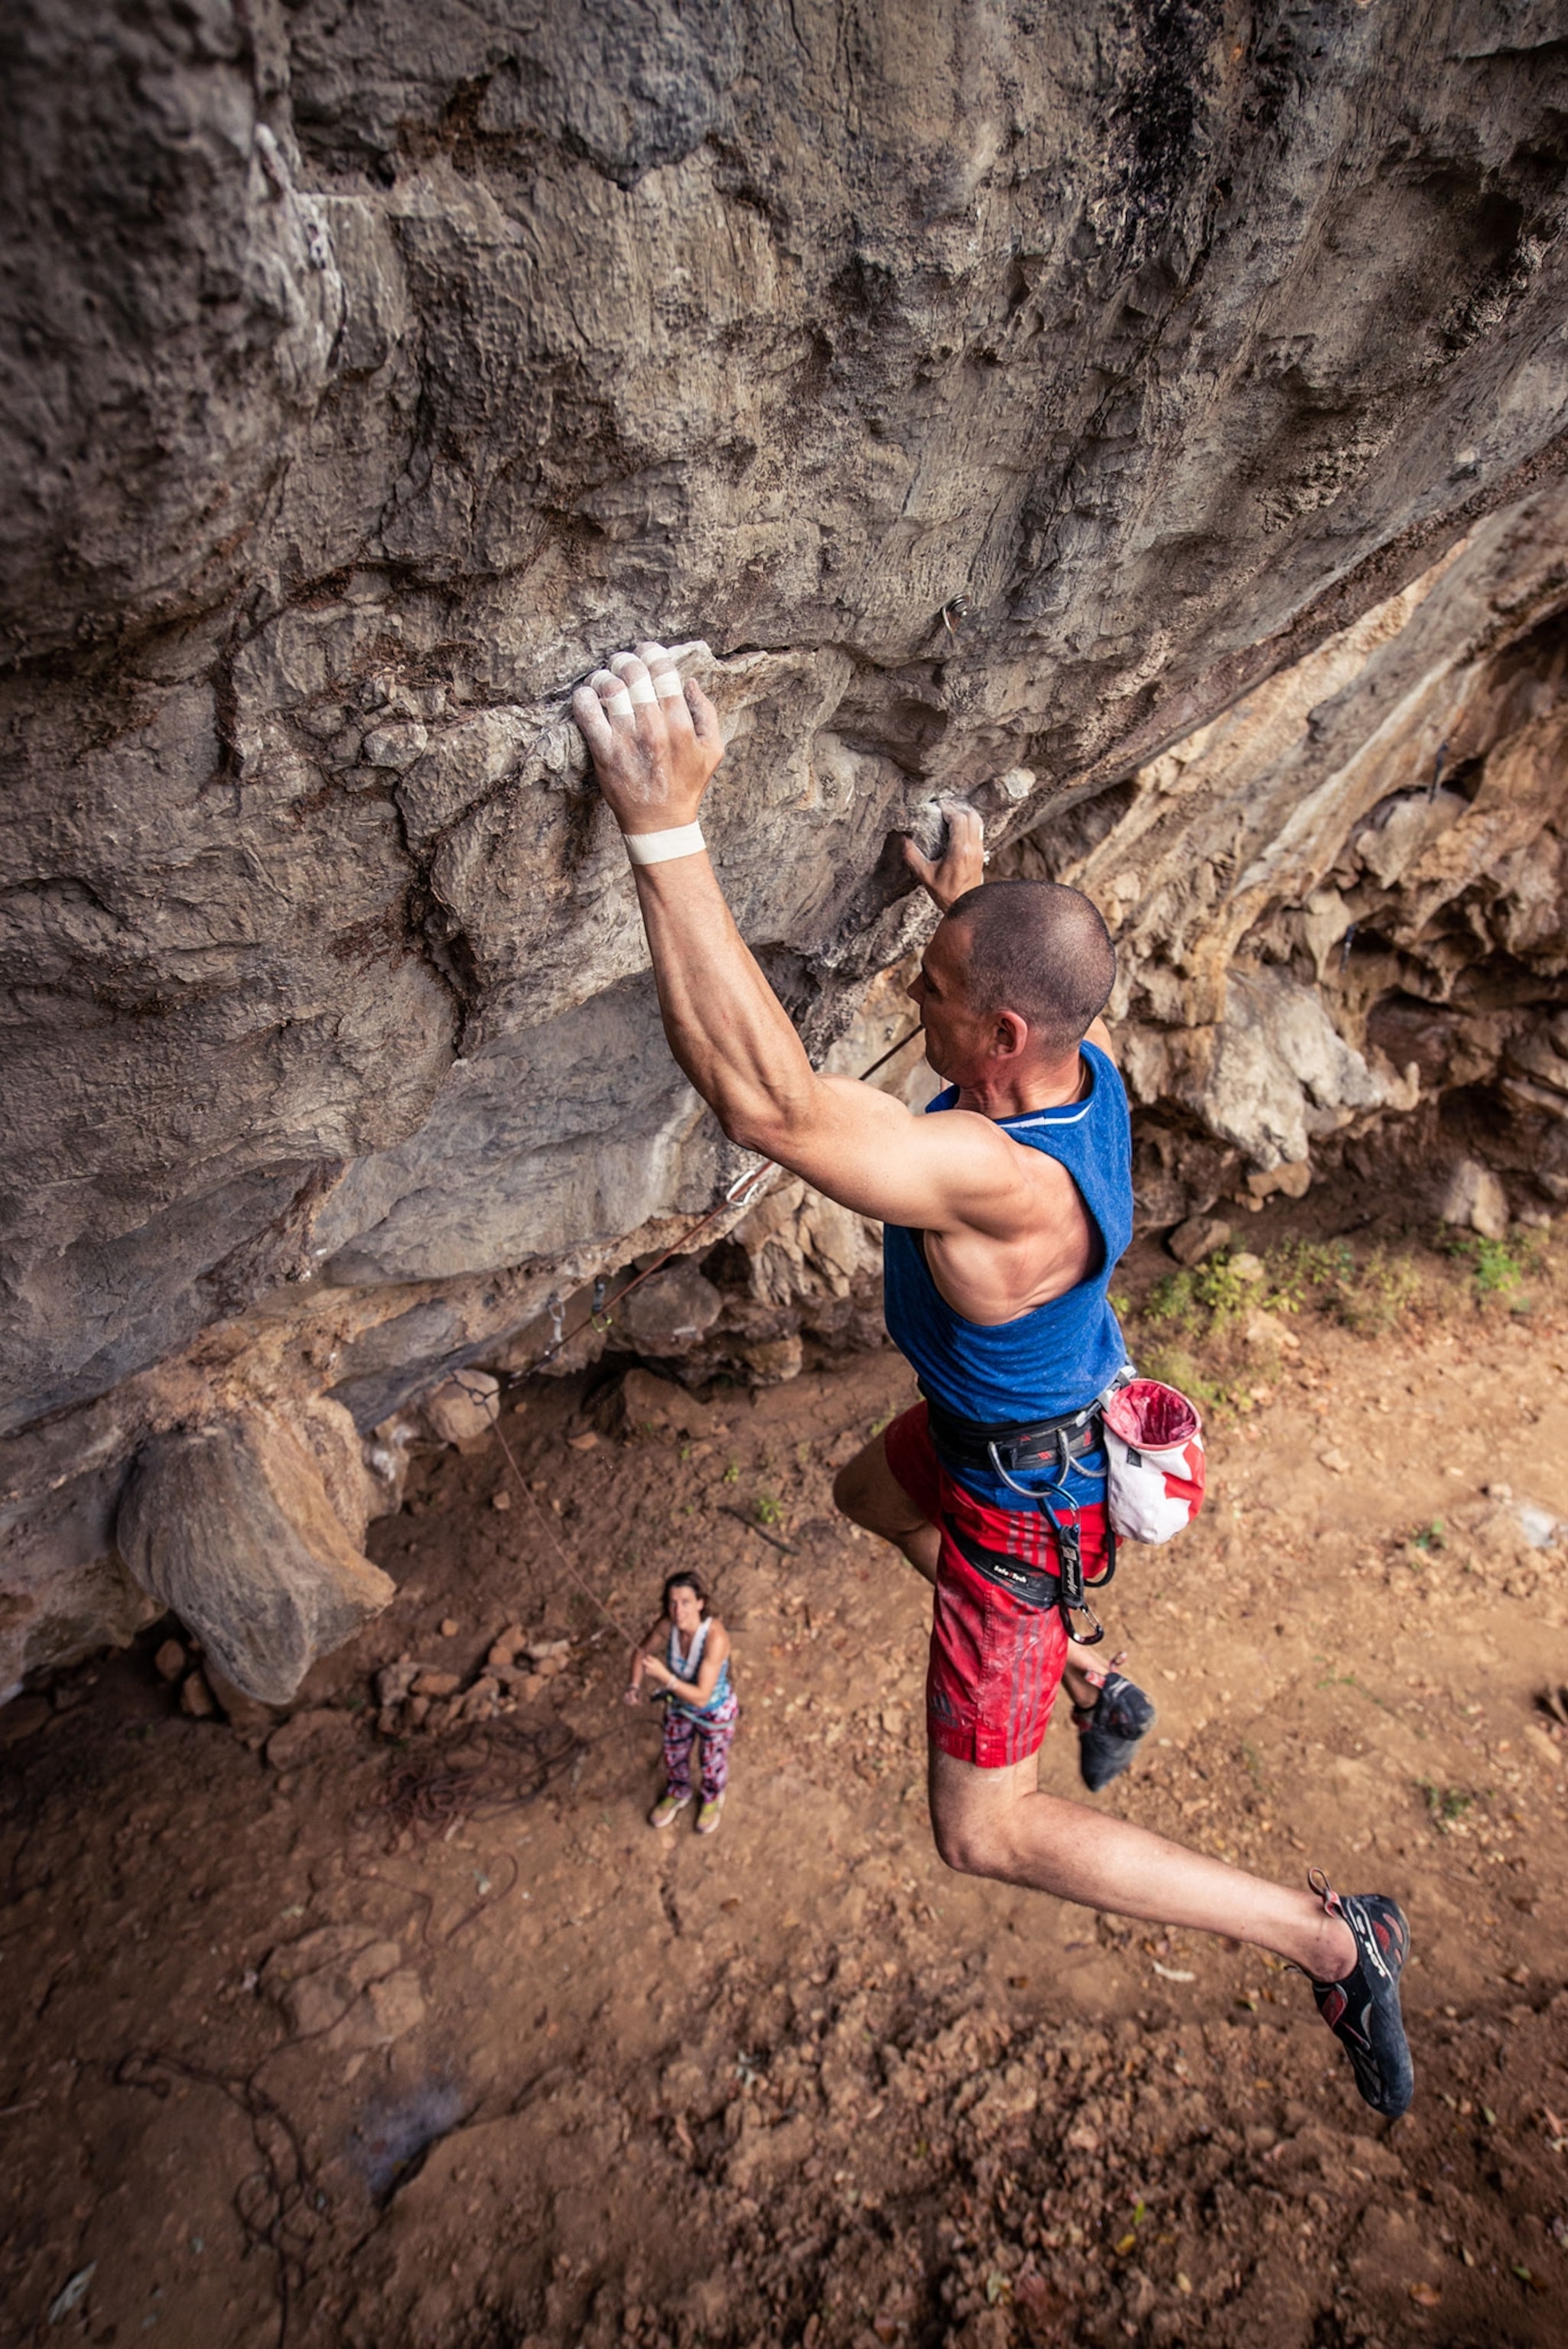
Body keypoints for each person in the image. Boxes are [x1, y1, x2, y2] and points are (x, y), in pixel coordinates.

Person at [574, 644, 1413, 2119]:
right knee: (858, 1491)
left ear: (1000, 1037)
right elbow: (1018, 964)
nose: (916, 990)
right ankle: (1085, 1670)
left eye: (937, 990)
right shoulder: (1074, 1066)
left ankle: (1329, 1940)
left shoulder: (992, 1178)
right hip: (1014, 1429)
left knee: (986, 1830)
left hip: (1028, 1491)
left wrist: (665, 819)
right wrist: (964, 888)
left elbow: (768, 1100)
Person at [625, 1571, 738, 1834]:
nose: (678, 1610)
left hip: (713, 1710)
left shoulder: (714, 1638)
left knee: (712, 1760)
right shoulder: (668, 1626)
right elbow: (641, 1651)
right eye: (673, 1603)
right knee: (674, 1752)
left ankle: (712, 1797)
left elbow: (702, 1695)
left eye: (686, 1602)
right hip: (679, 1706)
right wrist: (634, 1684)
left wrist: (666, 1678)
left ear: (700, 1603)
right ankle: (678, 1791)